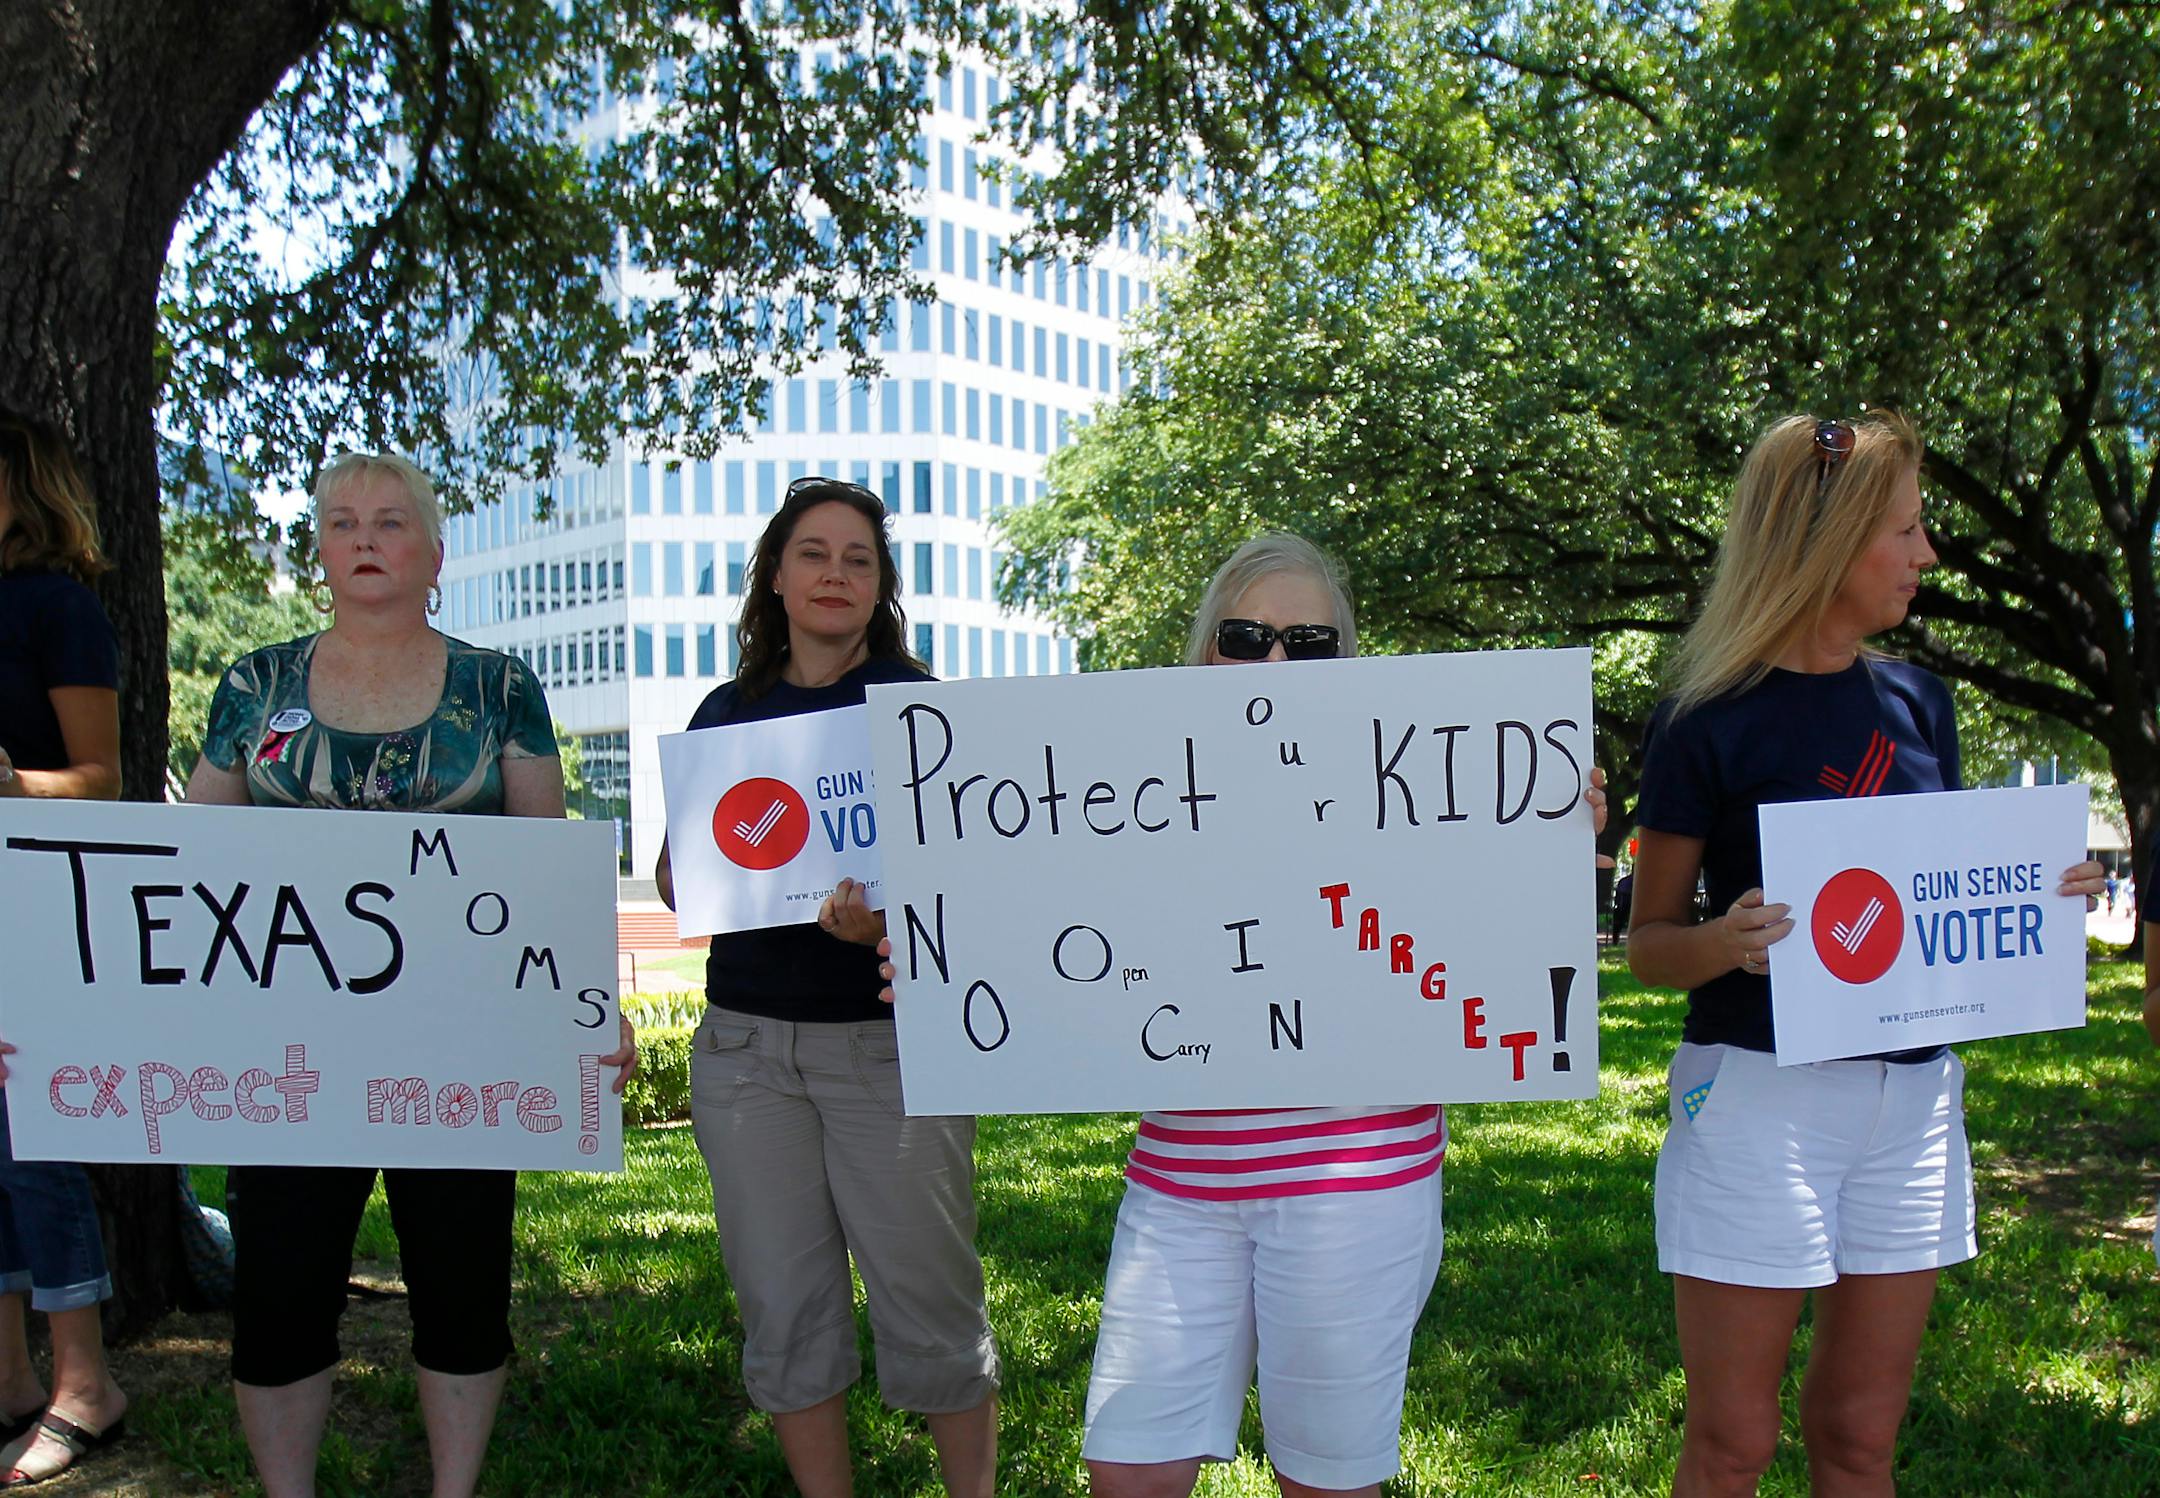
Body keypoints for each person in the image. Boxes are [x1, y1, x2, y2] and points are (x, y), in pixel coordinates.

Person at [1058, 533, 1604, 1498]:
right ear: (1204, 653)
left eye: (1308, 642)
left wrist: (1551, 834)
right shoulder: (1134, 794)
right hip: (1181, 1181)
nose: (1276, 660)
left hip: (1356, 1181)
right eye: (1247, 635)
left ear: (1346, 663)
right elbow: (1061, 953)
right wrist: (939, 967)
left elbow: (1485, 938)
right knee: (1125, 1469)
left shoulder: (1417, 788)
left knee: (1326, 1483)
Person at [1627, 414, 2106, 1496]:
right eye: (1908, 528)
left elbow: (1938, 889)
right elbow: (1648, 947)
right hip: (1757, 1104)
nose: (1928, 553)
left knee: (1858, 1442)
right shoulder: (1704, 718)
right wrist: (1723, 940)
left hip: (1915, 1106)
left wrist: (2045, 889)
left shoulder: (1920, 704)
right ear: (1828, 541)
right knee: (1733, 1444)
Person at [183, 452, 636, 1498]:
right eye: (342, 523)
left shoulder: (499, 688)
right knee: (280, 1292)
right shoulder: (253, 687)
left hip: (463, 1048)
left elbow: (547, 866)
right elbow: (187, 870)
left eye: (391, 522)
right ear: (322, 553)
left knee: (462, 1284)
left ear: (435, 554)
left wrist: (588, 1009)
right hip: (291, 1051)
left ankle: (454, 1489)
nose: (366, 540)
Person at [655, 476, 999, 1498]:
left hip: (887, 1048)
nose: (835, 573)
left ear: (882, 583)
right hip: (746, 1052)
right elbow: (685, 878)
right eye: (814, 552)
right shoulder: (728, 710)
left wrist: (883, 922)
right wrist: (694, 869)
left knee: (928, 1301)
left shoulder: (914, 707)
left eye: (858, 557)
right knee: (785, 1307)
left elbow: (973, 880)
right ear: (776, 575)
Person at [0, 417, 128, 1487]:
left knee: (35, 1143)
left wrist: (12, 785)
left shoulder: (57, 607)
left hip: (34, 909)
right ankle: (9, 1377)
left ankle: (85, 1380)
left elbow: (100, 777)